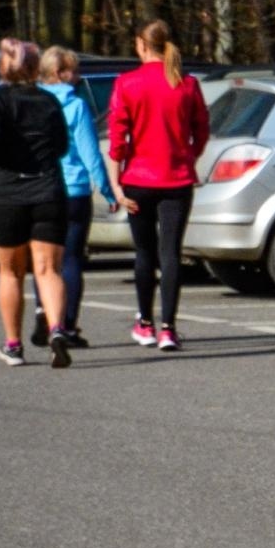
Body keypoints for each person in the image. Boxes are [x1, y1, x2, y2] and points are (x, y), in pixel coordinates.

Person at [108, 19, 209, 352]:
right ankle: (168, 328)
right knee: (171, 253)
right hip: (176, 179)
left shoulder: (127, 83)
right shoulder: (187, 83)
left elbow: (118, 138)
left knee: (144, 252)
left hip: (138, 178)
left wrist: (116, 183)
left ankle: (146, 324)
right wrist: (187, 157)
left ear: (141, 44)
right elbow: (202, 131)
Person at [0, 38, 72, 369]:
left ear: (4, 67)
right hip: (48, 190)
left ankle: (14, 345)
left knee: (11, 271)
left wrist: (4, 159)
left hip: (8, 194)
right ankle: (58, 329)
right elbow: (61, 144)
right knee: (48, 269)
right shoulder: (48, 101)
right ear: (35, 68)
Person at [31, 46, 120, 350]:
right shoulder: (76, 106)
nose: (79, 76)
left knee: (43, 259)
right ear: (60, 73)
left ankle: (42, 310)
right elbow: (90, 153)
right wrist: (107, 189)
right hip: (74, 189)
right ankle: (66, 324)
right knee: (69, 258)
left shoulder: (33, 102)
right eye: (74, 70)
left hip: (40, 188)